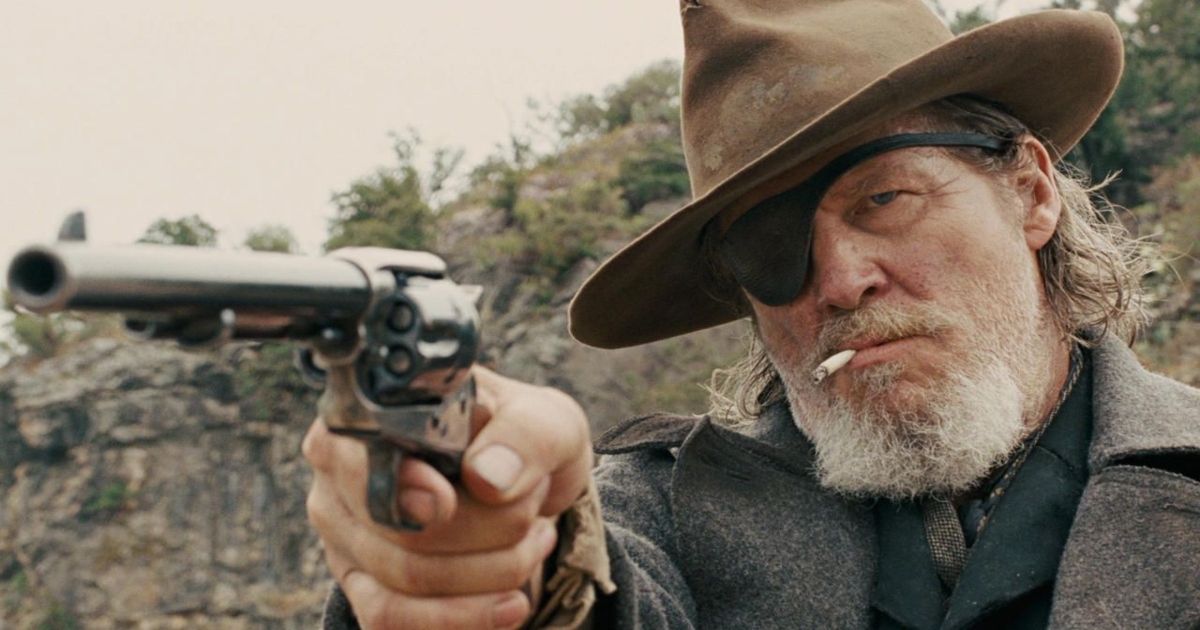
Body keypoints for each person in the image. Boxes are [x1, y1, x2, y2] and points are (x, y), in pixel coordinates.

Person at [304, 0, 1200, 628]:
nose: (840, 281)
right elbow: (599, 596)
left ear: (1031, 190)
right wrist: (509, 550)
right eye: (772, 249)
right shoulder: (661, 513)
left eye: (884, 197)